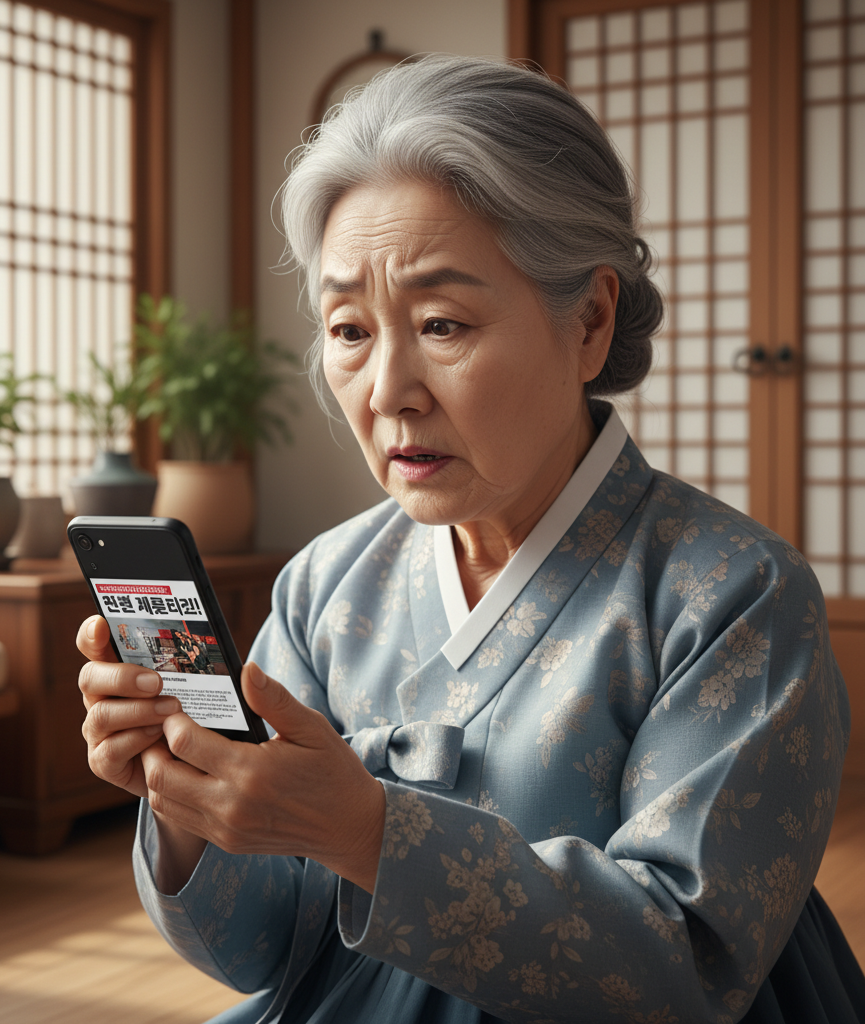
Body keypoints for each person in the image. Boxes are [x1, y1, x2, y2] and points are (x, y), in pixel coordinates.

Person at [76, 56, 864, 1023]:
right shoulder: (323, 586)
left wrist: (371, 834)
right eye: (349, 330)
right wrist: (184, 802)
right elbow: (264, 950)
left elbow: (686, 970)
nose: (387, 392)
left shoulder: (736, 594)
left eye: (442, 323)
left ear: (590, 321)